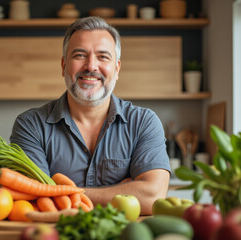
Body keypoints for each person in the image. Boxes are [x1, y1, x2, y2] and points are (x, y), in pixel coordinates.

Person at [10, 16, 171, 215]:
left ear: (117, 68)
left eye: (103, 57)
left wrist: (60, 193)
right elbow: (35, 200)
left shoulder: (143, 123)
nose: (91, 66)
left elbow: (152, 198)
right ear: (63, 66)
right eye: (79, 55)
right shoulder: (31, 125)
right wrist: (123, 190)